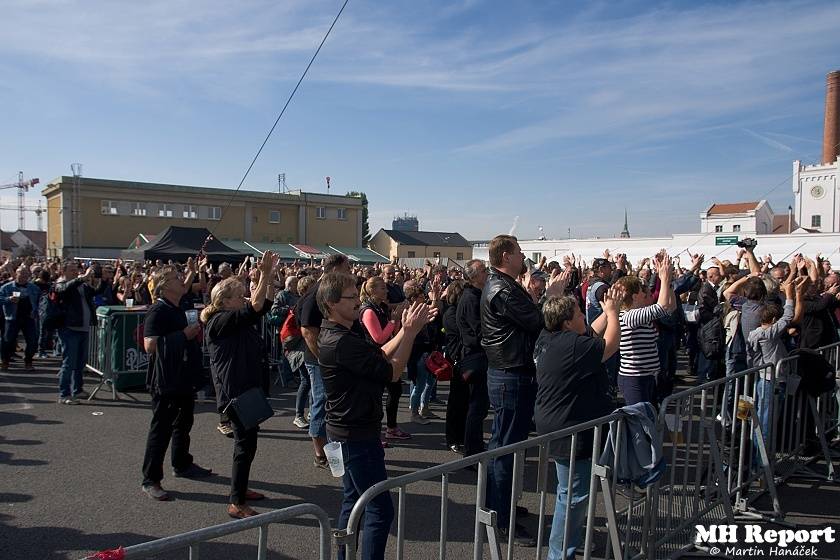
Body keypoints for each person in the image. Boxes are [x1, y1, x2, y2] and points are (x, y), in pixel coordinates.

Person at [317, 272, 435, 560]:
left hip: (340, 433)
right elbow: (393, 372)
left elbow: (380, 352)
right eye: (350, 297)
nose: (358, 300)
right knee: (379, 509)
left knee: (351, 500)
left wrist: (403, 331)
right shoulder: (341, 341)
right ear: (332, 304)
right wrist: (409, 332)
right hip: (354, 438)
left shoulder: (345, 332)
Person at [481, 234, 569, 545]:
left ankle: (501, 506)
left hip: (514, 373)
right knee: (504, 450)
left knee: (509, 447)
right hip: (510, 376)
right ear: (506, 256)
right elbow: (537, 322)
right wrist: (552, 295)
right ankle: (499, 519)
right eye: (519, 252)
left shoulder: (505, 285)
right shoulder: (502, 288)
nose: (523, 256)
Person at [534, 285, 621, 560]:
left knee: (569, 492)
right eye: (580, 314)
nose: (584, 316)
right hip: (570, 429)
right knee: (573, 496)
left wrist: (606, 313)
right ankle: (560, 553)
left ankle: (568, 543)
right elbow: (609, 346)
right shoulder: (571, 345)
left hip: (559, 423)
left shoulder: (550, 337)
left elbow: (591, 333)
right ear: (567, 322)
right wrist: (614, 313)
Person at [203, 252, 277, 518]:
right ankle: (236, 502)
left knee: (248, 443)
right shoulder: (220, 321)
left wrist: (268, 278)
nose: (244, 298)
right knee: (244, 445)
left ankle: (241, 489)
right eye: (239, 296)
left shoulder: (234, 318)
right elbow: (255, 307)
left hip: (247, 388)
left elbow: (264, 304)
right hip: (235, 392)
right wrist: (264, 275)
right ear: (224, 301)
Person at [141, 266, 211, 501]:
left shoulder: (179, 306)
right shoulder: (157, 310)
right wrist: (183, 336)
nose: (181, 280)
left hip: (183, 376)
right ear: (163, 286)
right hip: (166, 379)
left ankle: (182, 464)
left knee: (184, 423)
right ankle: (151, 479)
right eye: (174, 278)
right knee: (161, 430)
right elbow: (149, 345)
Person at [296, 254, 352, 468]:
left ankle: (333, 452)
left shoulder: (330, 290)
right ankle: (320, 454)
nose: (350, 271)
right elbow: (308, 331)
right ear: (336, 269)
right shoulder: (316, 293)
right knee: (321, 403)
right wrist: (324, 359)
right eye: (347, 267)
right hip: (319, 360)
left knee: (332, 405)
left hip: (332, 357)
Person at [613, 253, 676, 406]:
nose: (647, 293)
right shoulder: (629, 316)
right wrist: (664, 278)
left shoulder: (639, 315)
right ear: (634, 296)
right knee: (640, 421)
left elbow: (670, 307)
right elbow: (662, 307)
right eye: (643, 291)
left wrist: (667, 283)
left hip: (646, 376)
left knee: (647, 417)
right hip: (634, 378)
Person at [358, 276, 411, 440]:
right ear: (372, 290)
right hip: (374, 357)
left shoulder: (381, 307)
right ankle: (375, 433)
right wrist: (393, 321)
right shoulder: (368, 310)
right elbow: (378, 338)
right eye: (382, 288)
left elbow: (391, 334)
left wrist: (398, 321)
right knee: (376, 397)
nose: (386, 291)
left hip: (385, 356)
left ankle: (391, 427)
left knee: (395, 391)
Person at [54, 261, 102, 404]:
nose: (76, 272)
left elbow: (95, 291)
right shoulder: (60, 284)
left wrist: (101, 279)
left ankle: (78, 390)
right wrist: (81, 278)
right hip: (69, 328)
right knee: (69, 362)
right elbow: (64, 290)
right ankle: (64, 394)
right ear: (63, 271)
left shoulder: (80, 284)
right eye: (72, 270)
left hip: (83, 327)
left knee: (80, 362)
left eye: (76, 270)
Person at [457, 259, 490, 457]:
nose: (487, 273)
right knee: (477, 407)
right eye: (483, 270)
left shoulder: (477, 295)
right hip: (474, 358)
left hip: (478, 356)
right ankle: (472, 451)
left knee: (479, 406)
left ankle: (475, 446)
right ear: (474, 277)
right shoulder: (470, 298)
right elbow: (479, 332)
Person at [0, 265, 40, 371]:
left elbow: (40, 302)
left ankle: (28, 361)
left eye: (26, 274)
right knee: (7, 341)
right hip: (12, 317)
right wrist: (9, 299)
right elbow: (0, 299)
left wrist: (35, 312)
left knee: (32, 341)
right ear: (16, 274)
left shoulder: (34, 288)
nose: (23, 276)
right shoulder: (7, 287)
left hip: (29, 318)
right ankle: (5, 361)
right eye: (21, 273)